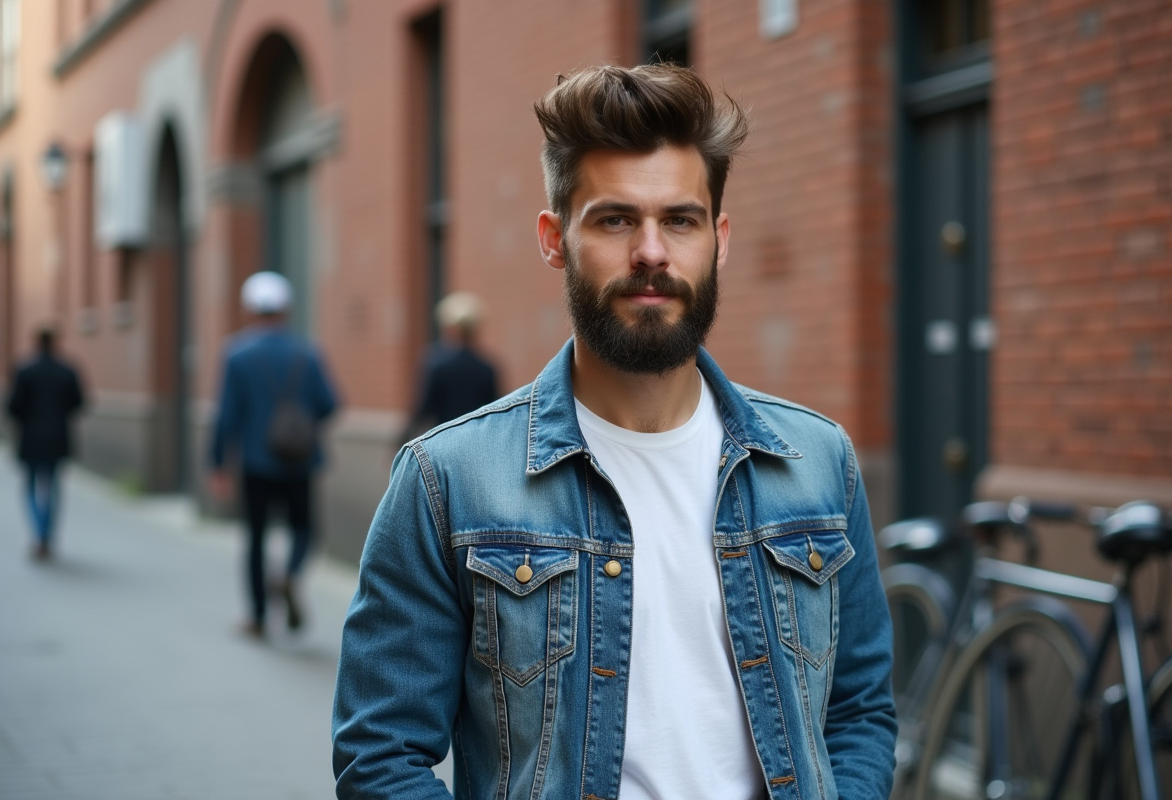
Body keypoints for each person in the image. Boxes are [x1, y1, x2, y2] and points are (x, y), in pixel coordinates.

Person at [333, 64, 896, 799]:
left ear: (718, 239)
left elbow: (859, 713)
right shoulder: (449, 481)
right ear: (554, 238)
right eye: (615, 219)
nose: (652, 253)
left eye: (680, 220)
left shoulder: (817, 463)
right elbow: (381, 756)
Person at [209, 271, 339, 639]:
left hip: (255, 462)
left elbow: (226, 415)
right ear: (287, 309)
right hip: (300, 460)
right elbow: (330, 404)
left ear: (250, 309)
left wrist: (218, 462)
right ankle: (290, 574)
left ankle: (257, 615)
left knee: (255, 536)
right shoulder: (308, 352)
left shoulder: (236, 354)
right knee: (305, 528)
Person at [6, 327, 85, 561]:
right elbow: (79, 402)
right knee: (51, 486)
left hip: (30, 437)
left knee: (30, 485)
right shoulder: (67, 370)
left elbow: (13, 406)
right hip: (57, 437)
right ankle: (46, 534)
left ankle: (38, 533)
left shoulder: (24, 370)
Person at [402, 291, 499, 442]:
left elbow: (423, 408)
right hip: (476, 440)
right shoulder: (487, 367)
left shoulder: (436, 362)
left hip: (444, 439)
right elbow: (495, 408)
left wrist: (404, 438)